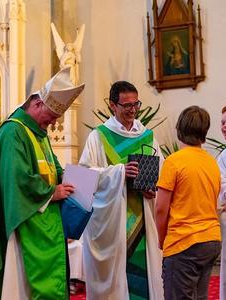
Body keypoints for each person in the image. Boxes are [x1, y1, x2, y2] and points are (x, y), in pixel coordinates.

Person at [0, 67, 85, 299]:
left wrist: (76, 179)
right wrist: (51, 193)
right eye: (51, 117)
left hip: (46, 223)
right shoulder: (13, 132)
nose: (53, 123)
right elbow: (16, 178)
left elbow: (54, 169)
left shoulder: (38, 132)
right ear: (37, 104)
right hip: (26, 225)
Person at [79, 81, 164, 300]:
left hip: (143, 220)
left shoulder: (147, 136)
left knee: (143, 278)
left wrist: (152, 188)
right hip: (112, 224)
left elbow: (161, 174)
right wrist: (119, 173)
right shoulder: (98, 137)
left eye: (136, 104)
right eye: (126, 105)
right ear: (112, 106)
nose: (132, 110)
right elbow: (83, 180)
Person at [155, 105, 221, 300]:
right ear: (204, 132)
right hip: (211, 240)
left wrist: (162, 238)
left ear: (179, 129)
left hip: (184, 241)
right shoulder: (212, 163)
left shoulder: (174, 161)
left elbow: (160, 208)